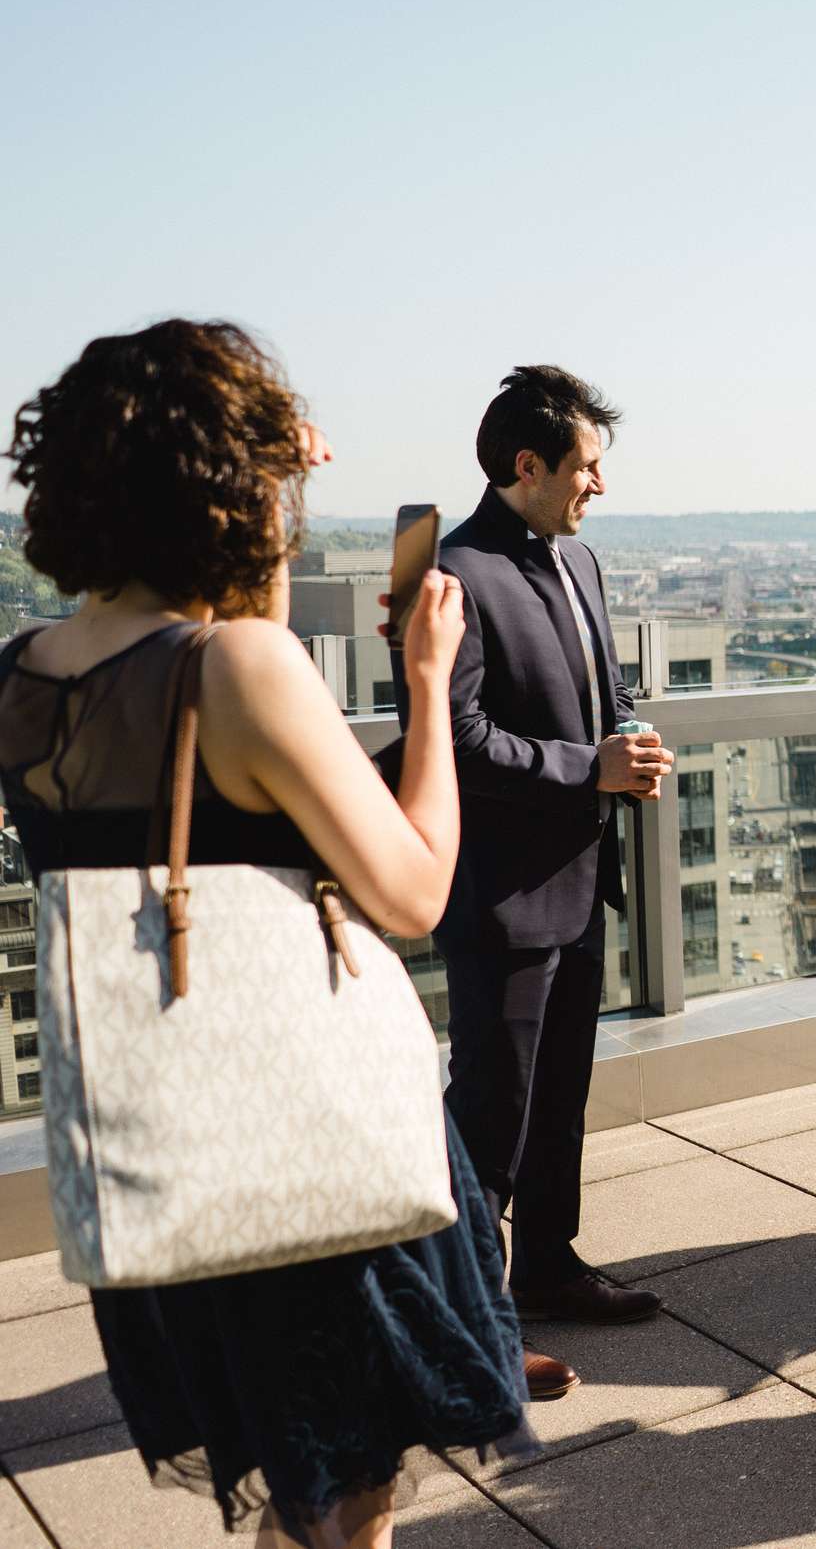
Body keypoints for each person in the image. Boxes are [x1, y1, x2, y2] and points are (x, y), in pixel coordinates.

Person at [0, 320, 532, 1547]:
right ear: (235, 487)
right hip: (305, 1143)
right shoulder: (245, 666)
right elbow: (412, 893)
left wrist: (265, 503)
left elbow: (192, 683)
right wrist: (429, 685)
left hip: (169, 1145)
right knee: (350, 1506)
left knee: (290, 1478)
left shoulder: (25, 673)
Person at [426, 367, 674, 1393]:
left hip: (579, 879)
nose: (598, 487)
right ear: (527, 465)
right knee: (491, 1116)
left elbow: (597, 679)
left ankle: (549, 1267)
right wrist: (590, 767)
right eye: (586, 467)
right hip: (500, 894)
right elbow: (458, 739)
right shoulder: (453, 574)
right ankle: (463, 1325)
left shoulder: (580, 562)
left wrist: (625, 730)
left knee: (558, 1098)